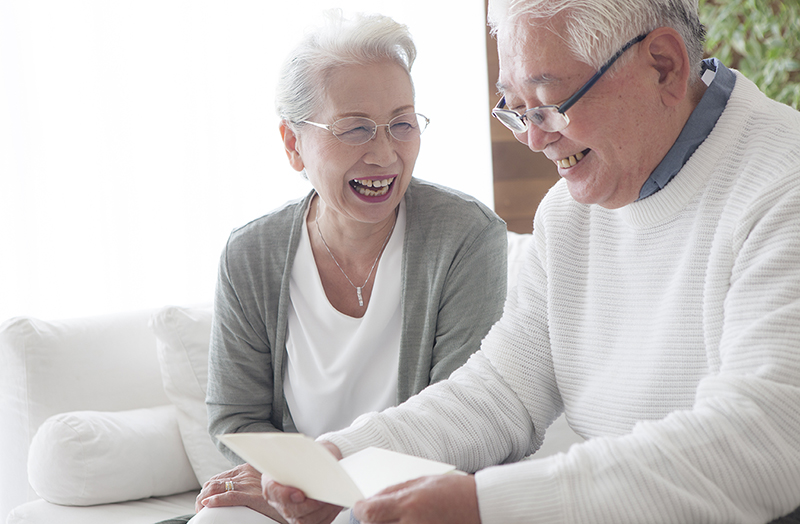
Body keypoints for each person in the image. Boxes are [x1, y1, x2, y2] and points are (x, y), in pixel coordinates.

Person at [262, 0, 800, 523]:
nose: (535, 139)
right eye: (516, 110)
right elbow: (501, 391)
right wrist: (345, 455)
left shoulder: (782, 185)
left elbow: (767, 440)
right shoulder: (569, 214)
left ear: (663, 66)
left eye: (549, 103)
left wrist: (486, 506)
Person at [157, 10, 508, 524]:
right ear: (292, 143)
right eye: (356, 129)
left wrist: (339, 493)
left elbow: (462, 417)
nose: (385, 153)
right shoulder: (250, 253)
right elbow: (236, 417)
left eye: (402, 124)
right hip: (295, 497)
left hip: (413, 494)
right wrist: (299, 487)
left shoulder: (466, 236)